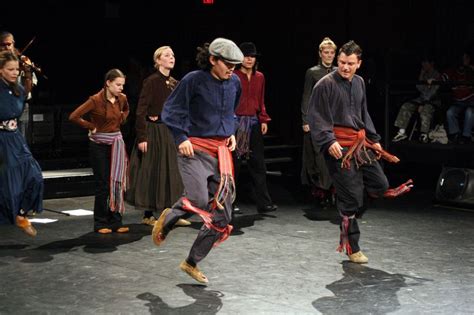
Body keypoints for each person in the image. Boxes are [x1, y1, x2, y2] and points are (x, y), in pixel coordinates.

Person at [308, 40, 413, 264]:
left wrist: (374, 140)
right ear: (338, 60)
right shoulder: (324, 84)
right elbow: (315, 117)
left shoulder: (359, 83)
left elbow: (363, 114)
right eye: (342, 62)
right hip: (338, 147)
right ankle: (351, 245)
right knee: (351, 198)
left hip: (359, 143)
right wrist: (328, 141)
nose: (345, 67)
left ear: (359, 64)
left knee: (381, 184)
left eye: (350, 63)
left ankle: (350, 204)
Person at [152, 38, 243, 283]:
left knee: (223, 216)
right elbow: (171, 110)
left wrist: (230, 131)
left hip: (221, 153)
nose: (232, 68)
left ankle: (191, 262)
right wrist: (181, 137)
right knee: (199, 199)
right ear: (213, 60)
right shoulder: (194, 80)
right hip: (195, 150)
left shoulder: (234, 81)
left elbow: (231, 110)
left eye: (236, 64)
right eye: (228, 63)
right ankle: (169, 218)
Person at [125, 46, 190, 227]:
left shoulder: (175, 83)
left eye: (173, 55)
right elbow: (140, 111)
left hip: (170, 131)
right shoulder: (151, 81)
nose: (172, 58)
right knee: (153, 171)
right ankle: (148, 215)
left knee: (171, 173)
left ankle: (170, 214)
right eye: (167, 55)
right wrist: (142, 137)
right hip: (154, 132)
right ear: (158, 61)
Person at [69, 69, 130, 234]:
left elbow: (126, 111)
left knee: (117, 182)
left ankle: (116, 221)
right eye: (118, 85)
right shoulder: (95, 100)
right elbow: (74, 116)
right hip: (99, 144)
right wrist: (91, 126)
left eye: (122, 85)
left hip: (116, 143)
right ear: (108, 83)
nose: (120, 88)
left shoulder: (122, 99)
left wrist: (122, 118)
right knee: (103, 183)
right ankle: (101, 222)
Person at [0, 50, 43, 236]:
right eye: (10, 69)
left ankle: (21, 213)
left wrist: (27, 72)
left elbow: (26, 93)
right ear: (0, 70)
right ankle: (17, 217)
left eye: (16, 69)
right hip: (1, 140)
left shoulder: (17, 89)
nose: (14, 72)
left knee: (35, 177)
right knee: (9, 185)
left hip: (15, 138)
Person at [232, 42, 277, 214]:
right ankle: (230, 202)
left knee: (258, 163)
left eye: (252, 56)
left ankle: (263, 202)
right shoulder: (234, 76)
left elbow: (261, 99)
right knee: (234, 164)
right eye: (246, 56)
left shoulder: (260, 77)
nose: (249, 59)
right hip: (237, 122)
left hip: (254, 122)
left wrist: (263, 118)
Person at [300, 37, 337, 206]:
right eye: (326, 52)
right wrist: (305, 119)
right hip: (317, 119)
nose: (329, 55)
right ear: (320, 53)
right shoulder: (313, 72)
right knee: (318, 157)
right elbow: (306, 96)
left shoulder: (338, 72)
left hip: (335, 119)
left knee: (335, 155)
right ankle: (321, 192)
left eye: (331, 53)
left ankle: (333, 191)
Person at [392, 56, 442, 143]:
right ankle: (402, 132)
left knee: (426, 109)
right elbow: (419, 88)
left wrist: (423, 104)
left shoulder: (437, 75)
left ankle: (424, 134)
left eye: (425, 63)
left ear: (431, 64)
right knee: (406, 106)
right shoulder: (424, 74)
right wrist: (421, 75)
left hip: (433, 101)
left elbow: (432, 93)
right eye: (423, 63)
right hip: (421, 99)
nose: (423, 65)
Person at [0, 31, 37, 144]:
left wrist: (28, 72)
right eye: (3, 45)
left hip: (20, 104)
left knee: (21, 139)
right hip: (3, 104)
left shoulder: (21, 59)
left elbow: (27, 91)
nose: (6, 47)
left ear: (13, 43)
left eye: (9, 44)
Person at [441, 52, 474, 144]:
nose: (465, 60)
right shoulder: (453, 71)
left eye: (467, 58)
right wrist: (433, 80)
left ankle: (466, 136)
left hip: (471, 101)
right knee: (450, 112)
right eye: (463, 58)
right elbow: (442, 77)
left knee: (470, 112)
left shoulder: (471, 70)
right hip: (458, 102)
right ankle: (455, 135)